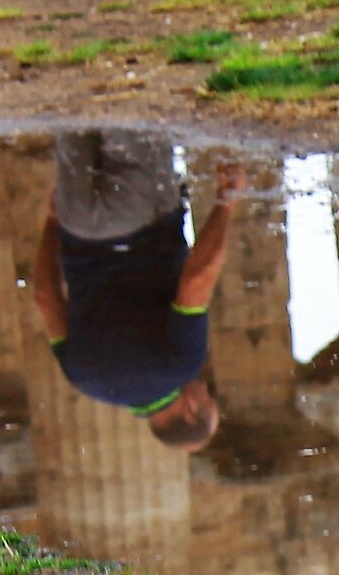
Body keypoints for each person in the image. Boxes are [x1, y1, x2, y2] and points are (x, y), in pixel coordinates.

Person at [31, 132, 241, 452]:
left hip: (142, 217)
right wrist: (52, 221)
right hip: (76, 223)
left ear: (190, 410)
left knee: (130, 109)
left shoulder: (181, 364)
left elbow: (197, 278)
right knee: (73, 116)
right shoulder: (83, 379)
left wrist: (226, 203)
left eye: (208, 398)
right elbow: (45, 294)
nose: (204, 388)